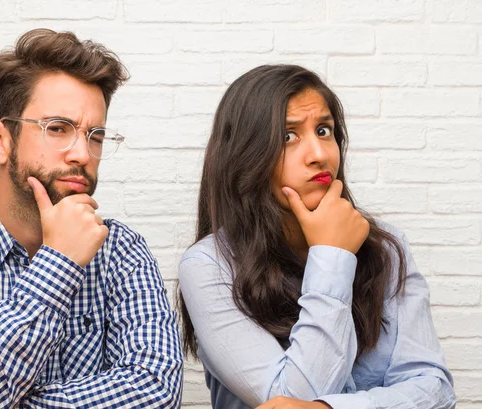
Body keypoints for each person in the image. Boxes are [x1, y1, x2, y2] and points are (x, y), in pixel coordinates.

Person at [0, 28, 182, 409]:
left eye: (95, 135)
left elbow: (156, 391)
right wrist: (58, 266)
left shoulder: (121, 251)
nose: (82, 153)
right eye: (58, 128)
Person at [177, 64, 456, 409]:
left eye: (324, 131)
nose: (320, 155)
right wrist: (332, 255)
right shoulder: (209, 266)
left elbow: (435, 390)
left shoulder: (386, 248)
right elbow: (289, 397)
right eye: (288, 136)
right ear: (245, 154)